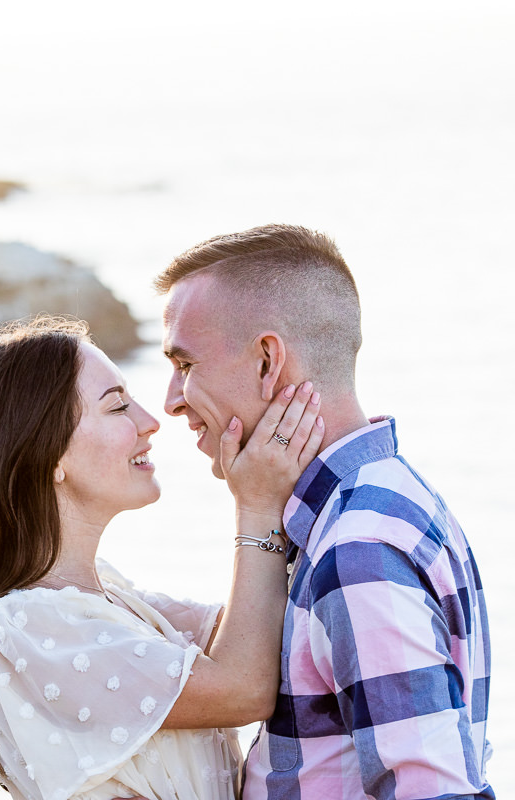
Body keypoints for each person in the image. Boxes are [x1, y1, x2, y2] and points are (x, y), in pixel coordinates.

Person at [0, 315, 324, 800]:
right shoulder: (25, 626)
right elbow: (243, 690)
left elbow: (273, 638)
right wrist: (257, 505)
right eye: (117, 407)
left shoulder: (108, 597)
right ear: (47, 453)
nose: (150, 421)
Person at [156, 224, 493, 799]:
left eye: (185, 364)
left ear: (268, 361)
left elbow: (435, 791)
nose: (170, 399)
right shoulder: (387, 497)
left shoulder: (355, 547)